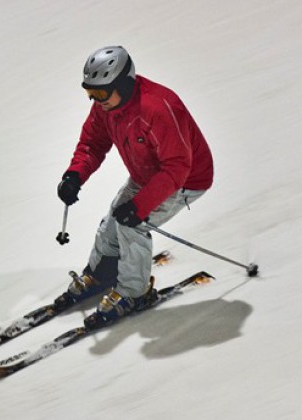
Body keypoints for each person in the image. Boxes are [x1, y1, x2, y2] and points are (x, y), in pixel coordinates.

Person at [53, 45, 214, 330]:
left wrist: (140, 207)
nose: (95, 100)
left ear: (123, 84)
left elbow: (177, 166)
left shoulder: (157, 108)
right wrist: (74, 175)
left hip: (186, 179)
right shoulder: (107, 107)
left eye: (101, 93)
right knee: (112, 221)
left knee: (131, 224)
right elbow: (92, 144)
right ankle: (102, 272)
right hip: (147, 174)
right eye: (90, 93)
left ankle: (133, 292)